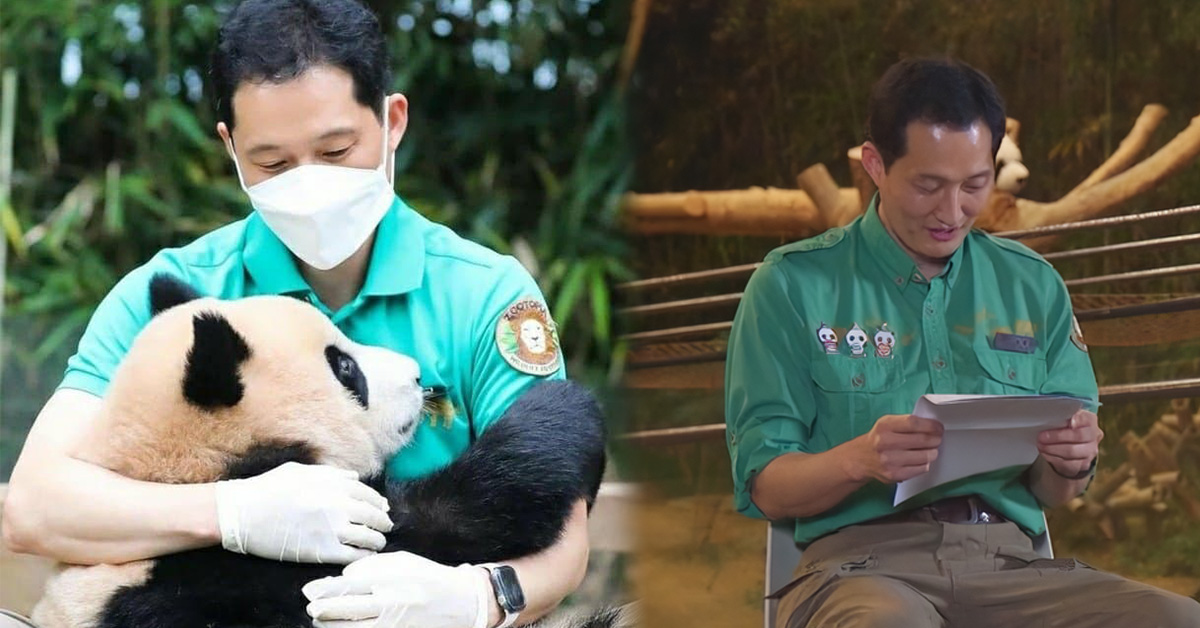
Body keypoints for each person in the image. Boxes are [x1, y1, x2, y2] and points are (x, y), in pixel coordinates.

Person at [1, 1, 587, 627]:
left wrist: (481, 599)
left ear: (391, 121)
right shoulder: (176, 300)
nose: (308, 184)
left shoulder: (483, 293)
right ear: (230, 148)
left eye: (336, 150)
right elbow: (34, 508)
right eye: (273, 163)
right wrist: (234, 512)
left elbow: (562, 539)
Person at [724, 57, 1200, 628]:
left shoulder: (1033, 285)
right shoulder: (790, 285)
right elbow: (767, 487)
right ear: (875, 164)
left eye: (975, 184)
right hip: (860, 570)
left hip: (1010, 566)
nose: (952, 213)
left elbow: (1056, 492)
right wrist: (859, 460)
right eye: (928, 186)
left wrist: (1071, 462)